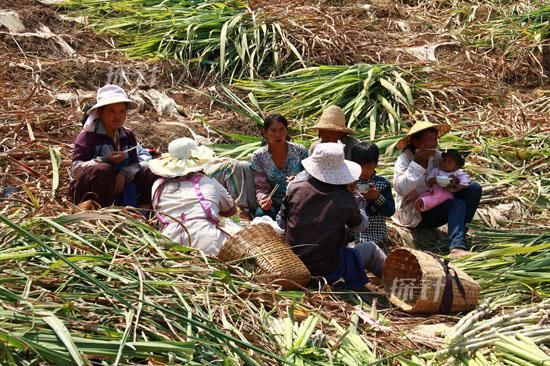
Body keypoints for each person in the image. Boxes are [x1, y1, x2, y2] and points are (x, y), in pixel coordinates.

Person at [277, 143, 386, 290]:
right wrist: (357, 197)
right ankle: (403, 286)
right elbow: (360, 226)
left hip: (294, 263)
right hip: (326, 270)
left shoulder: (295, 187)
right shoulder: (344, 198)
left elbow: (281, 222)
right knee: (371, 249)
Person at [393, 121, 482, 258]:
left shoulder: (437, 157)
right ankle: (456, 247)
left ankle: (459, 234)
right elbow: (401, 189)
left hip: (438, 201)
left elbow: (456, 171)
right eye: (429, 139)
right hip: (415, 211)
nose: (434, 144)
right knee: (456, 205)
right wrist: (416, 164)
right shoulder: (404, 160)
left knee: (474, 188)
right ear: (416, 142)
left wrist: (455, 182)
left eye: (435, 139)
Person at [69, 84, 158, 208]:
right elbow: (75, 170)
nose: (117, 116)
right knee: (103, 170)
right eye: (111, 111)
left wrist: (124, 174)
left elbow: (134, 163)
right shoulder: (88, 137)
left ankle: (141, 211)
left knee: (152, 171)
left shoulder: (127, 135)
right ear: (100, 112)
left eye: (122, 111)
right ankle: (101, 213)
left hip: (122, 185)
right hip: (94, 189)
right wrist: (104, 160)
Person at [149, 138, 237, 256]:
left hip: (169, 244)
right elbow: (230, 210)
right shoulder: (208, 182)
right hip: (208, 243)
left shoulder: (158, 186)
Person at [251, 113, 308, 219]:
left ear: (287, 131)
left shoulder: (300, 151)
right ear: (265, 133)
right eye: (273, 130)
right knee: (260, 215)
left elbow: (309, 177)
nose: (278, 134)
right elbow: (261, 187)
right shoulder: (259, 156)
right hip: (274, 202)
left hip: (298, 200)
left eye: (282, 129)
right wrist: (264, 200)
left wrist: (297, 181)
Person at [350, 142, 395, 248]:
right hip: (351, 234)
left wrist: (377, 197)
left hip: (375, 235)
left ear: (376, 164)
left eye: (369, 167)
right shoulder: (348, 182)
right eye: (361, 167)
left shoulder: (382, 184)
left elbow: (390, 211)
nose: (365, 171)